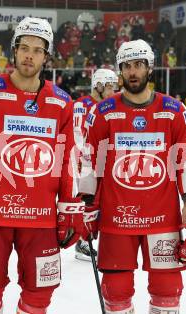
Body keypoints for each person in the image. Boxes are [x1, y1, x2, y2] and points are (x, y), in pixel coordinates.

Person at [80, 39, 186, 314]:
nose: (133, 72)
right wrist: (87, 205)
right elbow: (89, 162)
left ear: (150, 68)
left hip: (163, 218)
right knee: (116, 289)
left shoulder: (175, 110)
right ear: (120, 70)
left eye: (139, 65)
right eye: (127, 66)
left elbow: (184, 161)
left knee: (167, 289)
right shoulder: (103, 112)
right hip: (116, 217)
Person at [0, 17, 85, 314]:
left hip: (41, 216)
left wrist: (70, 205)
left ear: (46, 55)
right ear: (13, 51)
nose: (29, 55)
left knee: (40, 294)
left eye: (37, 50)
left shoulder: (62, 101)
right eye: (24, 47)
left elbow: (68, 160)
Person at [73, 68, 118, 261]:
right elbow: (77, 136)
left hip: (99, 161)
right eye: (108, 87)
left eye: (113, 87)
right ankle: (83, 241)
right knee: (89, 200)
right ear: (97, 85)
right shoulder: (83, 105)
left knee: (101, 201)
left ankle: (88, 237)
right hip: (86, 161)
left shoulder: (106, 107)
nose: (112, 92)